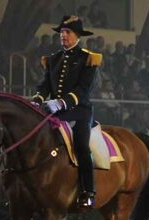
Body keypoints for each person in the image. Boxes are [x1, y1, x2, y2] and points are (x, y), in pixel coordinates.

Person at [31, 15, 102, 208]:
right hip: (55, 111)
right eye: (62, 32)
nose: (63, 35)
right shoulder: (53, 59)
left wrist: (61, 102)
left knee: (81, 145)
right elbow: (45, 85)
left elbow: (83, 90)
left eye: (67, 32)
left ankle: (88, 191)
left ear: (77, 35)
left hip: (80, 112)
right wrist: (37, 100)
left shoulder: (88, 58)